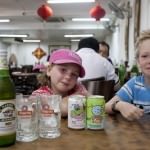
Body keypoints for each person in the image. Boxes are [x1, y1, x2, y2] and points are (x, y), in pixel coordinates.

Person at [105, 30, 150, 121]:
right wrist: (119, 105)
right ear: (138, 61)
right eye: (144, 56)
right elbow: (106, 106)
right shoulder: (134, 84)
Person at [32, 49, 88, 117]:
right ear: (49, 70)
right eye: (63, 70)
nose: (68, 77)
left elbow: (93, 101)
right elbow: (62, 108)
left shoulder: (78, 87)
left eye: (74, 74)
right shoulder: (40, 93)